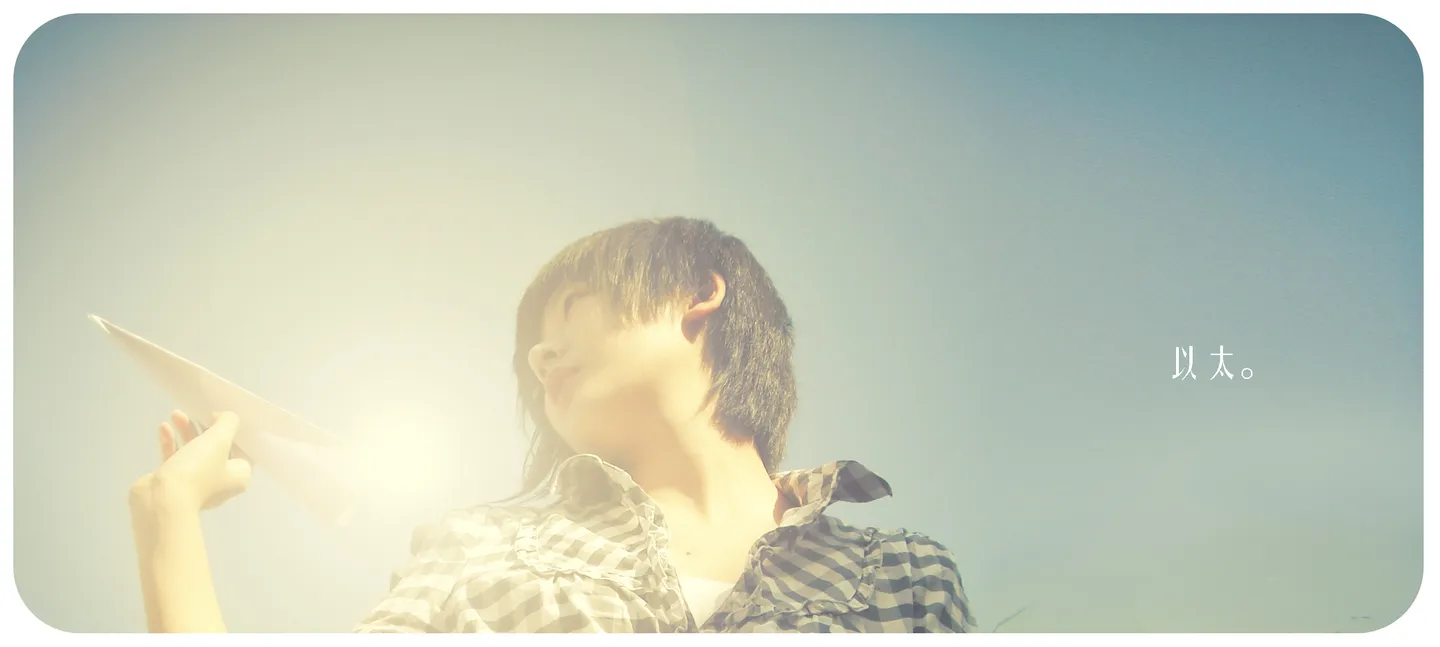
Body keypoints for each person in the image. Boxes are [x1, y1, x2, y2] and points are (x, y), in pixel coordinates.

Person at [127, 217, 975, 633]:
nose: (540, 354)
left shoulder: (903, 572)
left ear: (699, 294)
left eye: (571, 306)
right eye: (530, 344)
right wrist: (169, 521)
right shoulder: (477, 549)